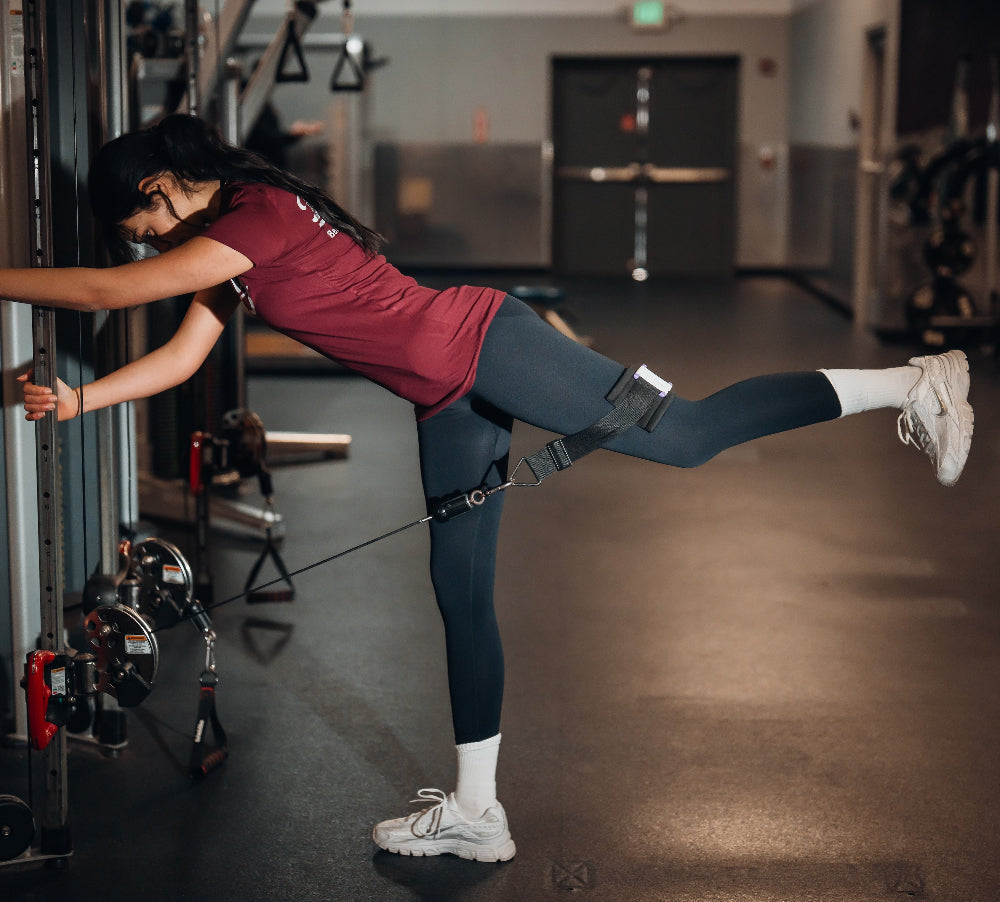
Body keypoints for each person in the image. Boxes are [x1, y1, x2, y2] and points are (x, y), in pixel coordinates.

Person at [10, 115, 973, 864]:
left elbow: (103, 292)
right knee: (460, 592)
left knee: (687, 438)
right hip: (445, 394)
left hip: (484, 343)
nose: (147, 245)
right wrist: (82, 398)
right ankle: (477, 812)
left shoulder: (250, 220)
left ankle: (913, 384)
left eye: (142, 228)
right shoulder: (235, 241)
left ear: (156, 189)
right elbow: (182, 358)